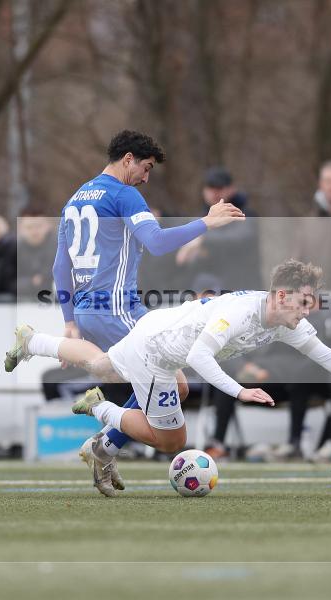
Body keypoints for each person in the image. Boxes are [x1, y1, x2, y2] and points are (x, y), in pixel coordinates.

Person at [5, 259, 331, 495]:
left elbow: (324, 354)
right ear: (281, 296)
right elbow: (199, 356)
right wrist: (239, 391)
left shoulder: (283, 321)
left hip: (159, 329)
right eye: (304, 301)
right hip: (156, 352)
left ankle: (33, 341)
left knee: (104, 366)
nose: (309, 309)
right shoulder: (242, 313)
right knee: (172, 440)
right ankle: (101, 409)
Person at [50, 130, 244, 495]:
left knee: (178, 385)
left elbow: (61, 267)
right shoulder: (124, 194)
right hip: (116, 310)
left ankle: (104, 447)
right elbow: (156, 242)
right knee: (173, 416)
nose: (146, 177)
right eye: (146, 167)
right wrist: (206, 222)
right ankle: (102, 431)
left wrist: (70, 320)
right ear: (127, 159)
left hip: (102, 310)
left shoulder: (75, 198)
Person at [175, 167, 262, 292]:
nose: (214, 192)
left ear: (232, 189)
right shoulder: (200, 217)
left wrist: (202, 241)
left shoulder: (245, 214)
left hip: (243, 289)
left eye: (219, 188)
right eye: (210, 187)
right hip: (209, 290)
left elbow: (239, 239)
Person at [16, 207, 57, 300]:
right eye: (29, 227)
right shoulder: (13, 249)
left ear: (48, 225)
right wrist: (31, 283)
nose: (34, 232)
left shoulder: (61, 249)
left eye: (39, 226)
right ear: (20, 228)